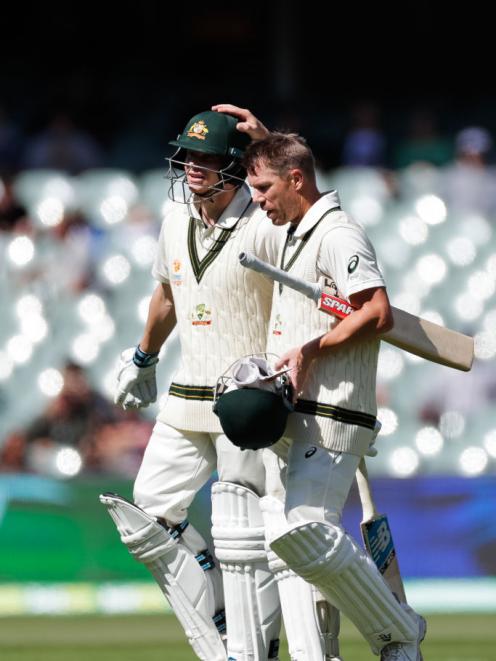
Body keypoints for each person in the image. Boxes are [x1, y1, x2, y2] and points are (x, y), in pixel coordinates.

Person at [100, 110, 286, 661]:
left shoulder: (266, 223)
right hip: (186, 396)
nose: (192, 166)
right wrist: (144, 357)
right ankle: (223, 619)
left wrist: (268, 142)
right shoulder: (175, 221)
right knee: (149, 513)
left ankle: (256, 645)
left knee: (245, 538)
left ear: (235, 164)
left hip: (247, 402)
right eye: (187, 155)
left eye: (206, 157)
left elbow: (308, 205)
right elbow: (166, 294)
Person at [242, 131, 427, 660]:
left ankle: (397, 630)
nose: (256, 198)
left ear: (296, 180)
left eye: (262, 187)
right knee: (292, 544)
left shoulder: (338, 233)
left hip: (334, 410)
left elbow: (376, 312)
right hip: (301, 412)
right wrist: (264, 137)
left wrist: (310, 350)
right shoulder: (298, 230)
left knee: (303, 531)